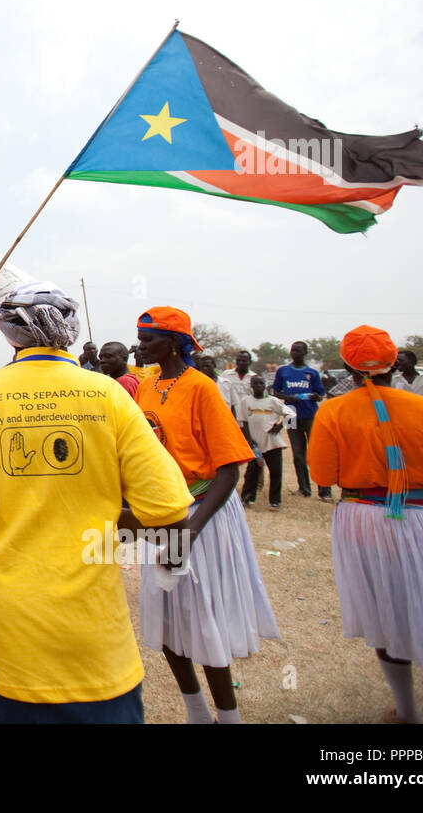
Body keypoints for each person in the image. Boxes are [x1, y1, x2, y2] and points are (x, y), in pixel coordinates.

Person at [0, 284, 193, 723]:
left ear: (9, 336)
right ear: (68, 331)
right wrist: (100, 512)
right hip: (89, 634)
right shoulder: (109, 396)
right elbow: (168, 510)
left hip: (0, 632)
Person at [308, 326, 423, 723]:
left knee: (385, 613)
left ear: (346, 367)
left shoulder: (332, 411)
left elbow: (323, 473)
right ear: (393, 363)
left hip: (363, 521)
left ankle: (407, 711)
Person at [134, 306, 278, 724]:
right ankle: (198, 715)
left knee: (203, 621)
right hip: (165, 515)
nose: (140, 347)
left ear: (174, 343)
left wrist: (191, 533)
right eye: (140, 340)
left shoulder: (202, 388)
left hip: (203, 516)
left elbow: (229, 471)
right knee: (166, 621)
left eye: (147, 340)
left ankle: (228, 718)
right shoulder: (146, 387)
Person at [273, 341, 332, 501]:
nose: (295, 353)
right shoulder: (283, 371)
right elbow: (275, 392)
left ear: (305, 352)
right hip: (291, 416)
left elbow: (320, 394)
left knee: (316, 453)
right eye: (293, 350)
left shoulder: (312, 373)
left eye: (299, 351)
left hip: (311, 416)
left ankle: (325, 491)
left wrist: (315, 397)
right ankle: (304, 488)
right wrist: (287, 397)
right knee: (298, 454)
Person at [237, 376, 287, 511]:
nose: (259, 385)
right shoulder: (245, 401)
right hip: (256, 444)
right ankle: (247, 498)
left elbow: (290, 414)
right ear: (251, 386)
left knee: (276, 472)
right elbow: (243, 421)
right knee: (251, 472)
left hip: (272, 443)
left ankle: (275, 502)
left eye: (261, 383)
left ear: (265, 385)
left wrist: (280, 426)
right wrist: (249, 439)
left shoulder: (273, 401)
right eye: (256, 383)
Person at [219, 350, 262, 500]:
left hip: (249, 420)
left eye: (245, 360)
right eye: (239, 360)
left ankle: (254, 483)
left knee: (254, 451)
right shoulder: (226, 376)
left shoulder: (254, 377)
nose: (241, 363)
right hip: (233, 419)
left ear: (249, 362)